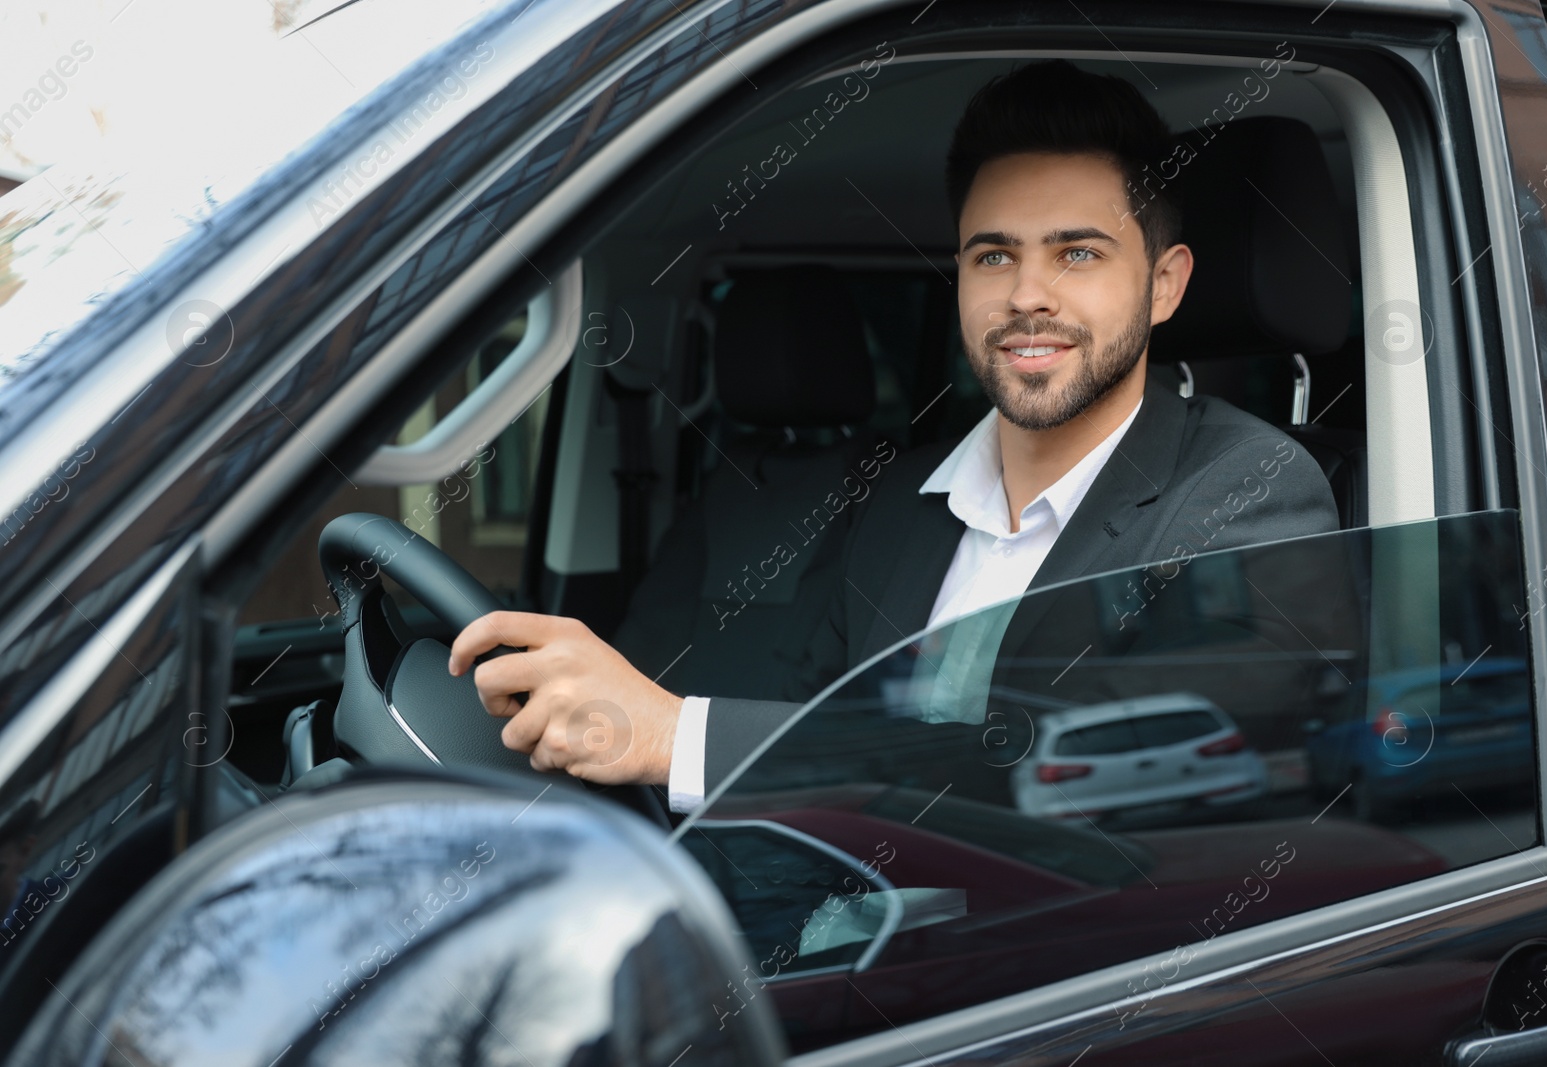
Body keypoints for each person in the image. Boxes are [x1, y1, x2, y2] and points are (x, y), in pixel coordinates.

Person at [447, 60, 1339, 810]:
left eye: (1078, 253)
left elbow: (1077, 772)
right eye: (994, 255)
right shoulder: (898, 504)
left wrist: (681, 736)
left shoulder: (1251, 493)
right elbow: (816, 727)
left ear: (1164, 284)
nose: (1028, 294)